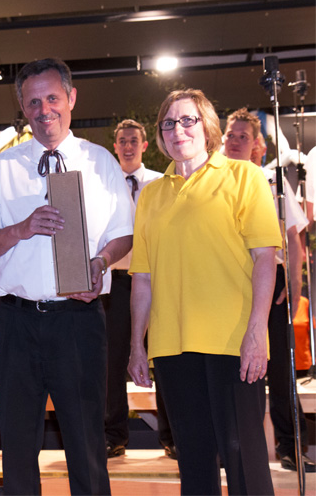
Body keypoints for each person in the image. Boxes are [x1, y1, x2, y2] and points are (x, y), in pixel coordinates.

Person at [0, 58, 134, 496]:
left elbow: (123, 235)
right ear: (23, 108)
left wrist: (99, 264)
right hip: (17, 321)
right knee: (18, 443)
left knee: (85, 439)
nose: (45, 110)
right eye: (33, 102)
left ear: (72, 98)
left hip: (78, 320)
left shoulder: (101, 162)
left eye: (53, 98)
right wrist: (22, 228)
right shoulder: (3, 167)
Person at [128, 89, 281, 495]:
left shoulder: (244, 175)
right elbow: (142, 278)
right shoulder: (151, 195)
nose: (178, 130)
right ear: (160, 135)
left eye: (188, 120)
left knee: (242, 458)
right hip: (172, 346)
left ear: (208, 127)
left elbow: (266, 258)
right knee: (194, 463)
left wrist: (257, 332)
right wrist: (136, 345)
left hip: (233, 342)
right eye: (168, 123)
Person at [223, 108, 315, 472]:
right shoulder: (210, 179)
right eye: (231, 134)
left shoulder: (271, 182)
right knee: (229, 367)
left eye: (243, 136)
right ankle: (229, 449)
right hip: (227, 282)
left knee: (279, 371)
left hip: (271, 281)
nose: (234, 141)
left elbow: (293, 237)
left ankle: (291, 447)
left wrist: (293, 286)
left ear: (257, 144)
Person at [102, 119, 177, 459]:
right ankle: (113, 435)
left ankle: (173, 436)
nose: (128, 146)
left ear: (145, 145)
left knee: (162, 354)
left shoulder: (162, 183)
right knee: (113, 360)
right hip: (117, 281)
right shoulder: (103, 185)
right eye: (122, 141)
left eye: (134, 140)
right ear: (115, 146)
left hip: (156, 278)